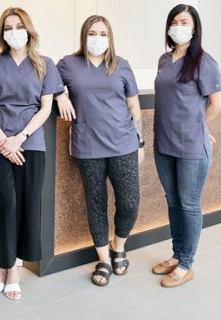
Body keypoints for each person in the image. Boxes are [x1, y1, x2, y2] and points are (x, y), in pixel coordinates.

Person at [0, 7, 64, 301]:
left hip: (31, 143)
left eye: (19, 26)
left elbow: (46, 108)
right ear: (2, 33)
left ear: (29, 30)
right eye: (8, 27)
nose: (14, 31)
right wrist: (3, 140)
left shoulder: (45, 64)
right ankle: (3, 267)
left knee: (27, 204)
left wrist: (20, 138)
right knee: (6, 204)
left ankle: (15, 271)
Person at [56, 15, 144, 286]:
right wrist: (60, 94)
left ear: (110, 37)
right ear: (84, 36)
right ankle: (104, 259)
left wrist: (140, 142)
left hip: (124, 144)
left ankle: (119, 246)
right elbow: (47, 83)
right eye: (92, 33)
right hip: (88, 145)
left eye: (103, 33)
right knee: (96, 204)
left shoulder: (122, 65)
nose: (98, 38)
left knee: (129, 202)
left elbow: (134, 108)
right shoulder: (68, 64)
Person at [151, 4, 221, 288]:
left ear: (195, 28)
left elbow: (217, 104)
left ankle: (186, 265)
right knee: (173, 201)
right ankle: (176, 254)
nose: (178, 26)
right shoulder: (163, 60)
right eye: (174, 21)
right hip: (164, 143)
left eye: (184, 22)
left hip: (192, 147)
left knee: (189, 204)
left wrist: (199, 126)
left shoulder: (205, 62)